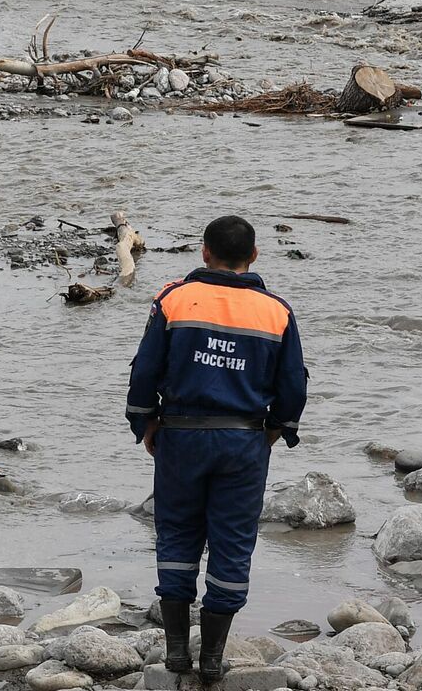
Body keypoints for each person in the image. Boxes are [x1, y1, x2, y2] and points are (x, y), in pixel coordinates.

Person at [125, 215, 306, 683]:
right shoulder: (277, 311)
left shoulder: (174, 300)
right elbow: (292, 388)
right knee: (232, 543)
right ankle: (211, 659)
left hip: (181, 437)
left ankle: (176, 654)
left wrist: (144, 422)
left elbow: (145, 371)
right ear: (254, 256)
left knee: (176, 534)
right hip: (243, 441)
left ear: (204, 252)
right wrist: (276, 431)